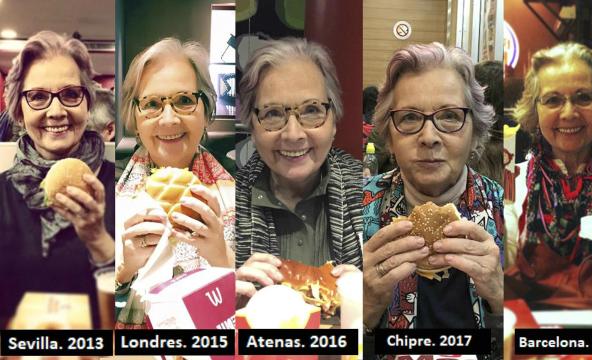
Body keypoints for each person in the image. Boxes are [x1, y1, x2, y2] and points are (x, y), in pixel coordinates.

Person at [362, 43, 503, 357]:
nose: (428, 137)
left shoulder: (514, 214)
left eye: (450, 116)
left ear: (475, 131)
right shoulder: (350, 211)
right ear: (389, 135)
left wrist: (502, 300)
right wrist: (363, 309)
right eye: (410, 118)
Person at [505, 42, 592, 308]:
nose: (569, 113)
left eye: (583, 97)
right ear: (535, 110)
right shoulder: (511, 184)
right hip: (533, 343)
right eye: (553, 100)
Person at [115, 38, 235, 327]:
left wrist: (221, 257)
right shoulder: (109, 184)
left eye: (184, 101)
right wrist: (123, 269)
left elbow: (257, 313)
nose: (168, 120)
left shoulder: (243, 189)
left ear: (206, 111)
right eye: (152, 104)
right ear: (135, 117)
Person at [0, 31, 115, 328]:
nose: (56, 111)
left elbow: (143, 312)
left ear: (87, 103)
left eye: (70, 94)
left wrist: (99, 241)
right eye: (38, 97)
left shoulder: (122, 185)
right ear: (18, 110)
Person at [235, 38, 362, 299]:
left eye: (311, 110)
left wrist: (369, 304)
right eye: (272, 114)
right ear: (252, 127)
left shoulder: (369, 192)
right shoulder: (226, 199)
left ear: (334, 122)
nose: (293, 134)